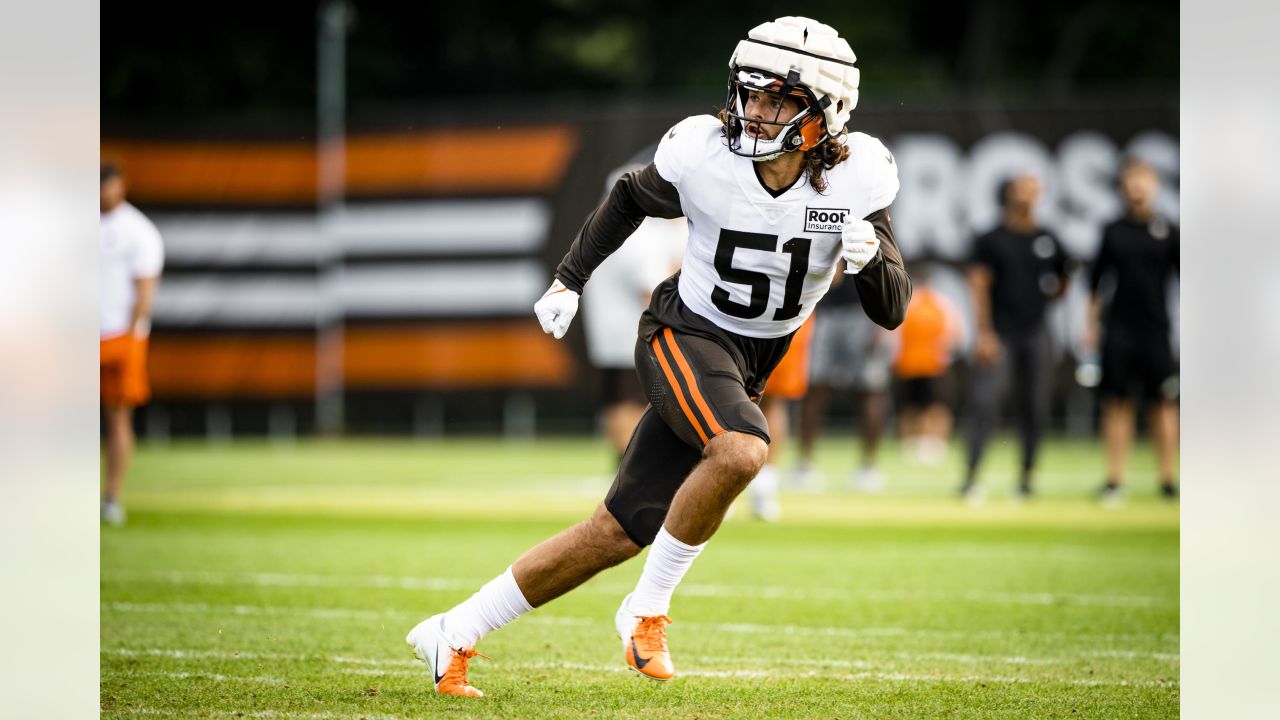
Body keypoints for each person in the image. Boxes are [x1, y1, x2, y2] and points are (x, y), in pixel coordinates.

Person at [405, 16, 908, 697]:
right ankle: (645, 610)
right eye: (748, 94)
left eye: (775, 99)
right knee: (741, 451)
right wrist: (569, 278)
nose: (753, 112)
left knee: (617, 530)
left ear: (826, 109)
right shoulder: (706, 154)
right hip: (684, 331)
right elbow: (628, 197)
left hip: (752, 358)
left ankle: (454, 631)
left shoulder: (858, 178)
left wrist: (873, 261)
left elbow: (892, 309)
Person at [961, 174, 1069, 502]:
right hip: (1000, 332)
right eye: (1021, 187)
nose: (1027, 194)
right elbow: (978, 285)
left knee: (1034, 406)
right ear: (1007, 194)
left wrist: (1045, 299)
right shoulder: (992, 238)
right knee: (986, 403)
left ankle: (1025, 477)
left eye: (1033, 188)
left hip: (1036, 331)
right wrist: (984, 333)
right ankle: (972, 476)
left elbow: (1065, 276)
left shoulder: (1047, 237)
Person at [1085, 158, 1179, 503]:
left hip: (1157, 331)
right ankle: (1115, 480)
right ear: (1123, 187)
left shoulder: (1168, 230)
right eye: (1131, 180)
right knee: (1117, 404)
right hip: (1120, 330)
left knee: (1164, 404)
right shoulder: (1112, 230)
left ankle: (1168, 479)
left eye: (1143, 180)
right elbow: (1096, 283)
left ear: (1154, 185)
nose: (1136, 186)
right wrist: (1091, 325)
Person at [582, 151, 687, 458]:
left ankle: (629, 468)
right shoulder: (634, 232)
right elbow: (651, 286)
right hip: (636, 335)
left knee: (620, 400)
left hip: (617, 334)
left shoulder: (605, 228)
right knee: (631, 402)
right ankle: (634, 468)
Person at [99, 162, 164, 525]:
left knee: (117, 417)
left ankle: (112, 496)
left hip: (119, 336)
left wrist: (131, 333)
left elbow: (145, 290)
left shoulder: (137, 231)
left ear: (119, 186)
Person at [792, 272, 897, 492]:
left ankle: (868, 467)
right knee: (814, 387)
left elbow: (886, 267)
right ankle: (804, 465)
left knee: (870, 388)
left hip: (863, 310)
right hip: (820, 309)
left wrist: (882, 320)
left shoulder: (873, 234)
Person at [893, 262, 962, 465]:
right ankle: (929, 444)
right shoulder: (941, 303)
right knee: (931, 405)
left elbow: (892, 332)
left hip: (916, 364)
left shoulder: (909, 302)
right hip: (930, 365)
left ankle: (918, 444)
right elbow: (955, 334)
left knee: (917, 406)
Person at [748, 314, 815, 520]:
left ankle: (763, 486)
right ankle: (757, 488)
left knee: (769, 398)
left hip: (779, 311)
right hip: (782, 310)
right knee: (768, 401)